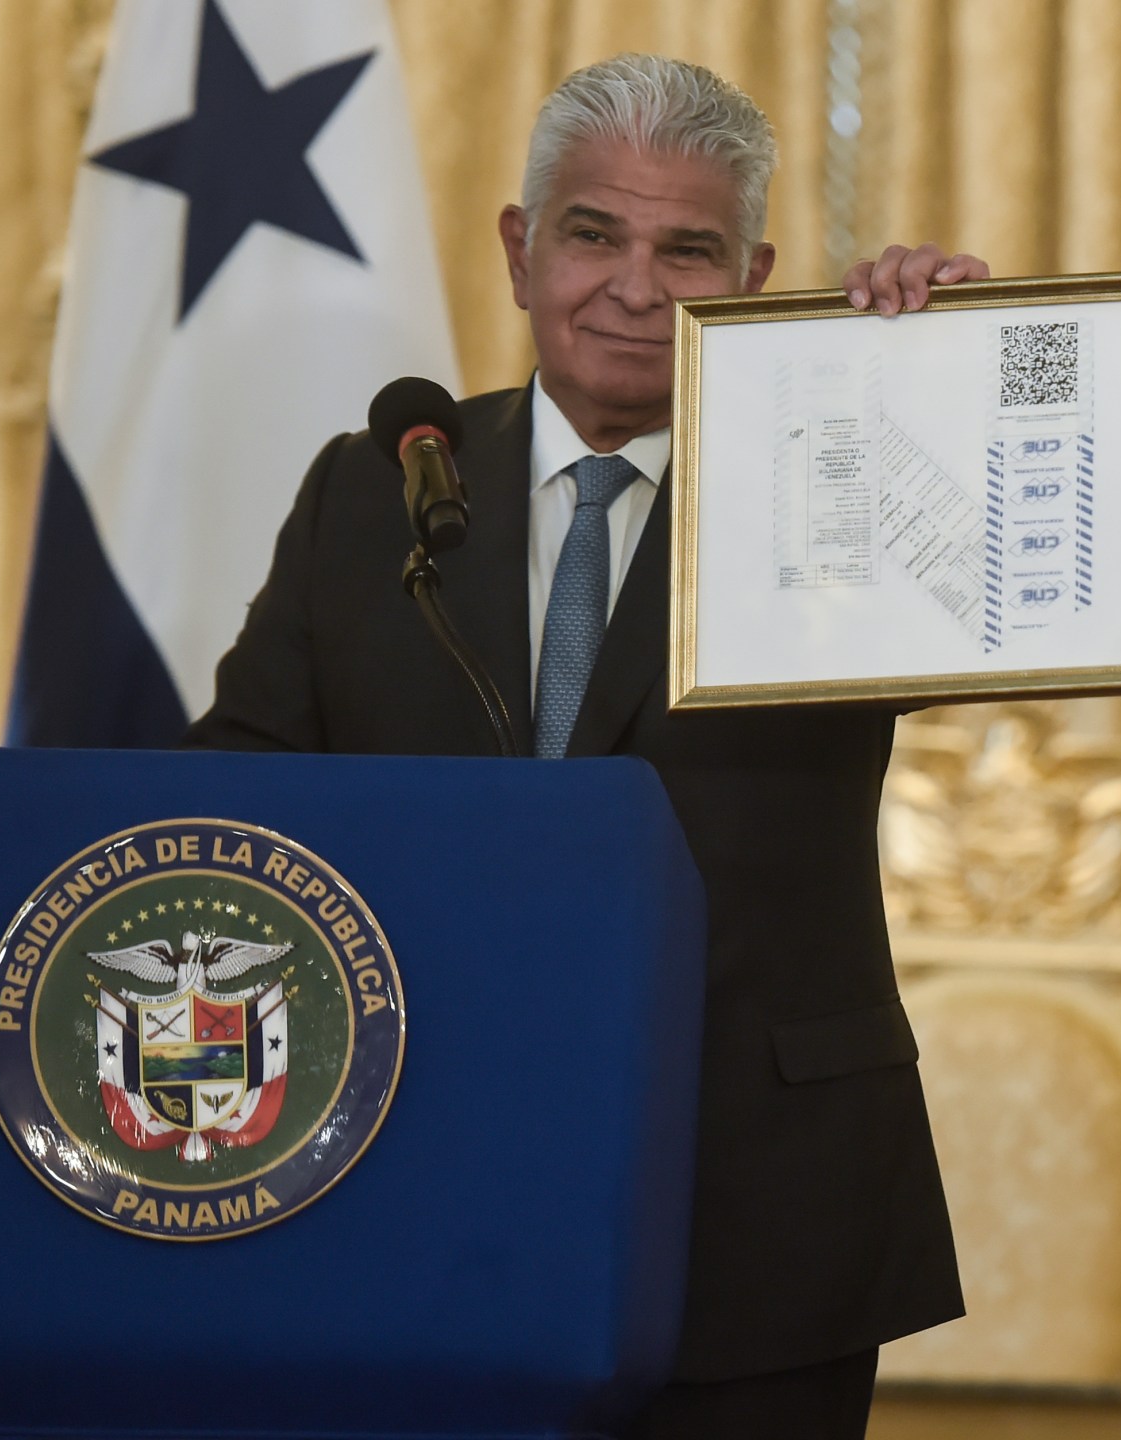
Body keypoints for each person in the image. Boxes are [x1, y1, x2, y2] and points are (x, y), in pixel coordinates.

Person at [188, 54, 984, 1438]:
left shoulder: (835, 481)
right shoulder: (371, 496)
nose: (634, 285)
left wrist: (952, 383)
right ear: (519, 248)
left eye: (690, 248)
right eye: (593, 233)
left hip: (758, 1214)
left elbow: (1012, 593)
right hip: (401, 1185)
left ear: (753, 273)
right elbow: (230, 790)